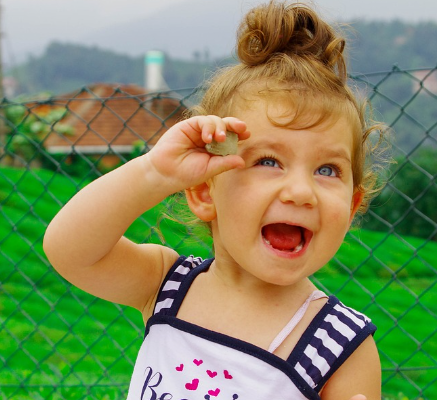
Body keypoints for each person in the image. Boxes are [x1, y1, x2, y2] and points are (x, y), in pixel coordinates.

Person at [44, 1, 388, 399]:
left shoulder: (341, 347)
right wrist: (155, 173)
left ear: (351, 206)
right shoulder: (168, 285)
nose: (300, 192)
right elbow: (70, 250)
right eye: (269, 161)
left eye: (327, 170)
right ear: (206, 190)